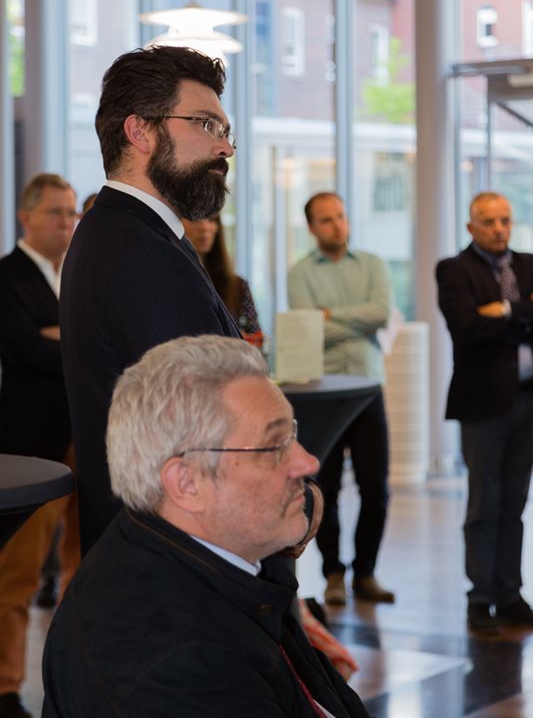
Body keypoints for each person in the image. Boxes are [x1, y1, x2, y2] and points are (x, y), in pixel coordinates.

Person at [42, 335, 371, 718]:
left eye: (292, 434)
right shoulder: (178, 668)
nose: (307, 462)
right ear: (186, 483)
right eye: (274, 446)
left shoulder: (188, 552)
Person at [60, 45, 242, 556]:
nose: (225, 148)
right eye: (206, 124)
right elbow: (200, 434)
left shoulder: (118, 231)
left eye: (225, 131)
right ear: (141, 132)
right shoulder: (140, 252)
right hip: (176, 562)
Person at [288, 192, 394, 606]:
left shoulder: (373, 264)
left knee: (376, 487)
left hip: (367, 389)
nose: (338, 225)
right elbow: (307, 327)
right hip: (323, 393)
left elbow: (381, 313)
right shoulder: (299, 273)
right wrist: (354, 320)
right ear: (312, 227)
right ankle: (332, 572)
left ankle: (366, 573)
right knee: (324, 488)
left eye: (341, 216)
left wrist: (330, 317)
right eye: (327, 219)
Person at [0, 174, 80, 718]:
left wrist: (58, 336)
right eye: (56, 213)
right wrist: (71, 340)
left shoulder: (74, 274)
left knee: (85, 565)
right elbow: (24, 350)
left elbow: (72, 342)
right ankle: (6, 686)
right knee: (18, 573)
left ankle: (76, 674)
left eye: (72, 213)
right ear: (26, 216)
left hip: (83, 437)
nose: (67, 223)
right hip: (33, 445)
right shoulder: (6, 277)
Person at [436, 191, 533, 635]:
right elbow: (466, 327)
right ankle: (480, 598)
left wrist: (506, 310)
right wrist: (522, 318)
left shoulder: (528, 264)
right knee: (483, 505)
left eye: (505, 220)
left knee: (514, 504)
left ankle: (510, 595)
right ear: (470, 227)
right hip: (483, 404)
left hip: (527, 400)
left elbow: (489, 323)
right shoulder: (454, 270)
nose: (499, 229)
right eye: (489, 222)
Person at [181, 213, 262, 342]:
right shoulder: (174, 284)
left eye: (211, 219)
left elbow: (256, 339)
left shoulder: (239, 286)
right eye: (196, 219)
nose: (205, 227)